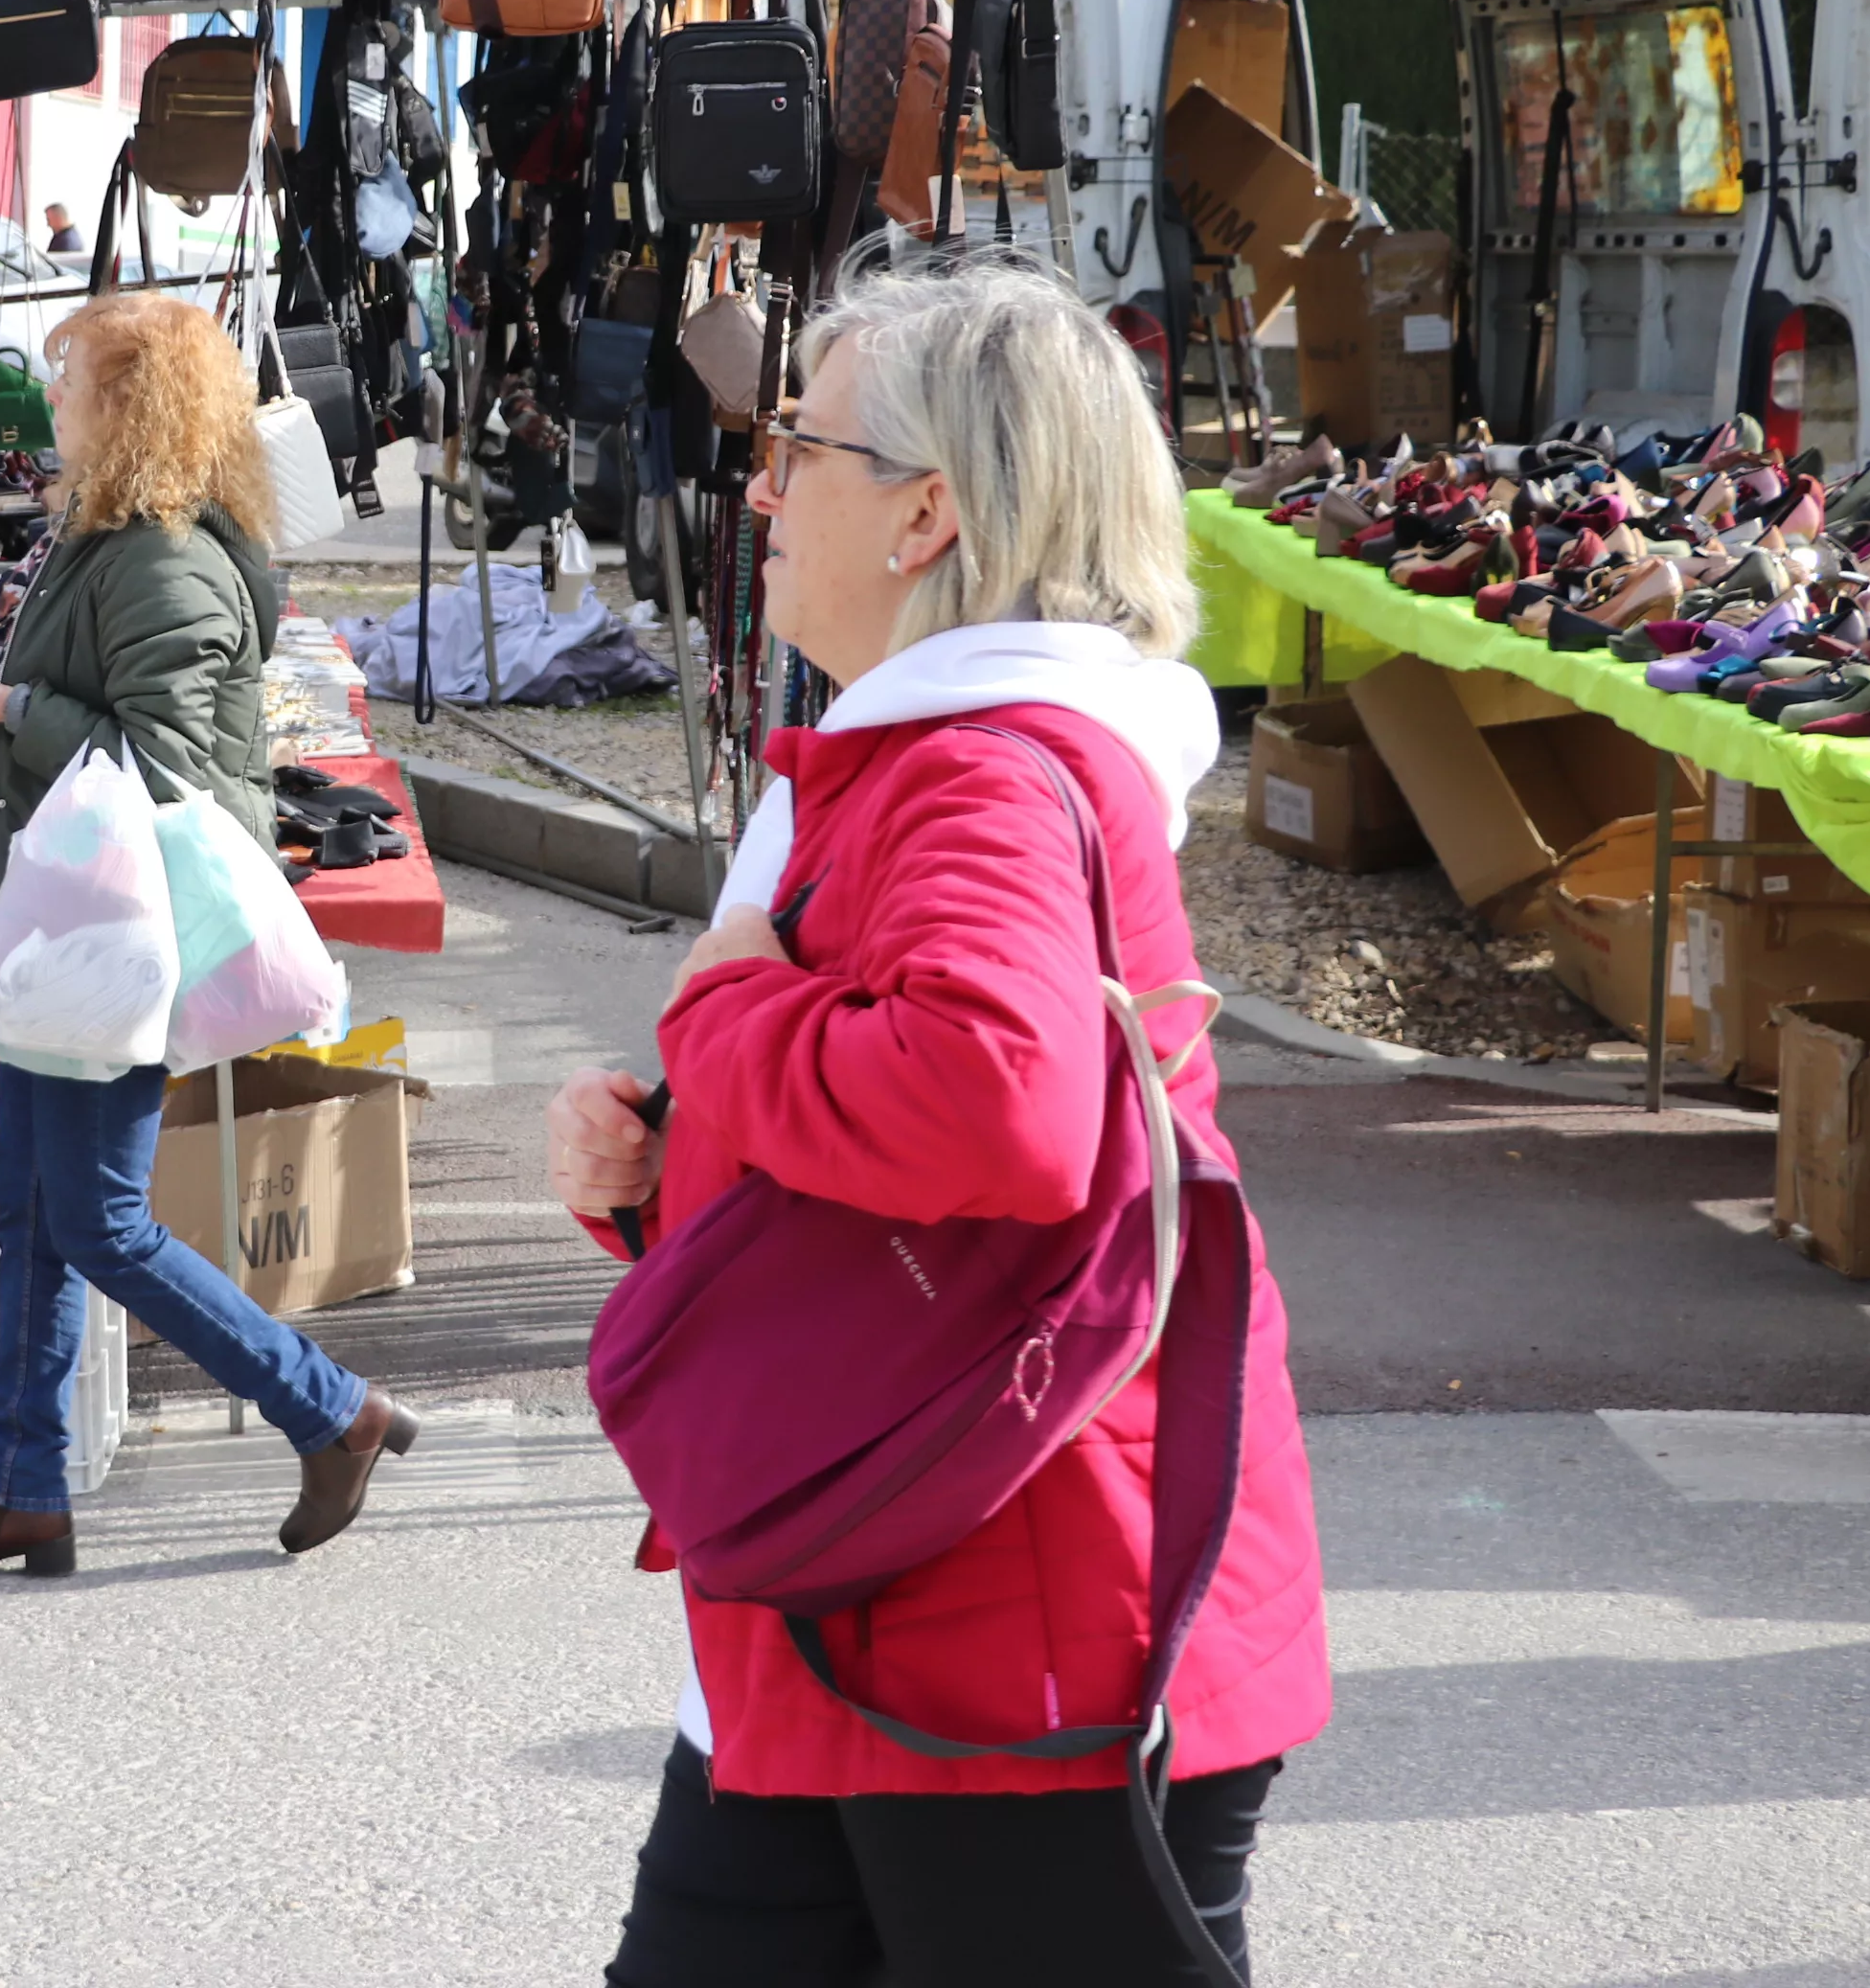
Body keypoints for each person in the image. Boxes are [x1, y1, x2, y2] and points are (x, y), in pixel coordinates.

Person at [545, 254, 1330, 1985]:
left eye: (793, 448)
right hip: (923, 1578)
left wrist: (730, 1006)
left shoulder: (975, 763)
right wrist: (670, 1167)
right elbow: (931, 1150)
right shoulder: (959, 746)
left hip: (996, 1611)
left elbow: (995, 1111)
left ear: (927, 515)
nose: (756, 489)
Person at [0, 293, 408, 1577]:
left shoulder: (162, 557)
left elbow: (161, 766)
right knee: (33, 1211)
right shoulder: (118, 536)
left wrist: (12, 704)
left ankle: (330, 1408)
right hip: (74, 931)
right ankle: (21, 1487)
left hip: (115, 931)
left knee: (99, 1221)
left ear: (126, 409)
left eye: (70, 390)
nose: (49, 410)